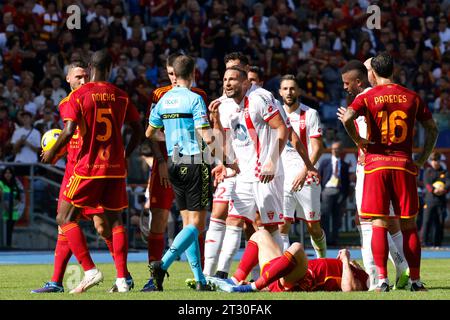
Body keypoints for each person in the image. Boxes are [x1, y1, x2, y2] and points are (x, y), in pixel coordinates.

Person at [41, 50, 143, 293]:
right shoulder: (121, 96)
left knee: (64, 219)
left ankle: (89, 270)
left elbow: (68, 131)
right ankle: (121, 279)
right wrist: (125, 155)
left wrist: (50, 152)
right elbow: (138, 130)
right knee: (114, 221)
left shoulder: (77, 97)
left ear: (90, 68)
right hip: (115, 170)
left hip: (87, 169)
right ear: (111, 68)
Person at [208, 66, 319, 280]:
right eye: (224, 79)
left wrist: (272, 161)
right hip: (246, 175)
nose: (227, 83)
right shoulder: (230, 107)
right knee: (234, 220)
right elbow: (226, 143)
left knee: (270, 227)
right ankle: (222, 275)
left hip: (266, 175)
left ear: (246, 83)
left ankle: (280, 277)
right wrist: (216, 121)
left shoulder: (260, 98)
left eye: (232, 79)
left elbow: (283, 129)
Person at [342, 52, 439, 291]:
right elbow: (432, 129)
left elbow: (348, 118)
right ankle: (415, 281)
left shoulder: (369, 96)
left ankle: (382, 281)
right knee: (409, 226)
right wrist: (421, 159)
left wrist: (360, 141)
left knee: (378, 223)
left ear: (372, 72)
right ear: (393, 70)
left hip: (376, 165)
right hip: (404, 164)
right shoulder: (411, 96)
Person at [145, 54, 224, 291]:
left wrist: (168, 137)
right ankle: (163, 263)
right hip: (194, 161)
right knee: (197, 225)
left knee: (188, 223)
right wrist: (225, 159)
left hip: (173, 162)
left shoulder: (163, 100)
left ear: (174, 74)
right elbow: (206, 135)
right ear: (193, 74)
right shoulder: (194, 98)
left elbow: (149, 132)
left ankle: (200, 280)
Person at [338, 59, 410, 290]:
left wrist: (361, 144)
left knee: (368, 221)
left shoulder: (366, 98)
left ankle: (379, 275)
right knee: (389, 221)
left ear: (359, 81)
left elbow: (367, 130)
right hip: (392, 163)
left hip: (371, 165)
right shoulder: (386, 94)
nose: (345, 87)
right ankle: (401, 267)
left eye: (347, 83)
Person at [207, 229, 369, 293]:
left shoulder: (364, 280)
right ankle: (234, 281)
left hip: (299, 278)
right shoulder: (361, 271)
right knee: (260, 235)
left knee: (297, 247)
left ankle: (250, 287)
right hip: (281, 271)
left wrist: (346, 261)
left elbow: (349, 290)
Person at [278, 74, 327, 258]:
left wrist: (304, 171)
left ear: (298, 91)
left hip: (306, 177)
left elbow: (318, 148)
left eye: (292, 88)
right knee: (282, 225)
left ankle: (322, 259)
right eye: (285, 89)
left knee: (313, 227)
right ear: (280, 92)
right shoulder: (275, 114)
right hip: (282, 177)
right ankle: (285, 271)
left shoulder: (310, 114)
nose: (289, 92)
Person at [318, 140, 350, 246]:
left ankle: (334, 240)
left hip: (339, 192)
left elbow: (347, 183)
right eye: (333, 149)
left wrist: (345, 195)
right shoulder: (325, 162)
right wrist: (321, 192)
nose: (335, 151)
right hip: (327, 190)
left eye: (337, 149)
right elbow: (319, 177)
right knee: (325, 216)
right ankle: (325, 240)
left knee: (337, 217)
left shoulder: (345, 165)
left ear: (341, 150)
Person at [421, 151, 450, 247]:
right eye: (433, 160)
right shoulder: (428, 172)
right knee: (426, 222)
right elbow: (427, 184)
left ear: (439, 161)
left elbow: (448, 184)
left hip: (441, 202)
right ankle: (424, 242)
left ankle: (437, 243)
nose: (435, 162)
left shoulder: (445, 172)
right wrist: (434, 190)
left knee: (439, 222)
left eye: (436, 160)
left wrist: (444, 190)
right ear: (430, 161)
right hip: (429, 202)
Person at [0, 166, 25, 248]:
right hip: (3, 211)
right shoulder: (1, 183)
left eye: (9, 173)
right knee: (3, 230)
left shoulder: (15, 184)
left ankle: (8, 246)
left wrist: (16, 204)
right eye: (6, 173)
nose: (7, 174)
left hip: (13, 211)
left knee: (10, 230)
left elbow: (19, 198)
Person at [11, 110, 41, 175]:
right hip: (19, 161)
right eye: (23, 117)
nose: (25, 119)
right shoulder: (17, 132)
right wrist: (20, 142)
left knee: (30, 183)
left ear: (30, 119)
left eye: (27, 117)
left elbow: (38, 150)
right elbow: (14, 150)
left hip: (32, 162)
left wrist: (27, 143)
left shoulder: (36, 133)